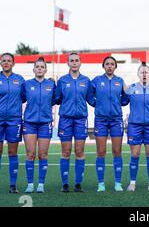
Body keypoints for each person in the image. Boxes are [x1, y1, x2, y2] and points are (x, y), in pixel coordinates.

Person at [0, 52, 25, 194]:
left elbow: (26, 97)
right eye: (4, 61)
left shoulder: (20, 80)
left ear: (13, 63)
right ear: (1, 63)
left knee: (13, 152)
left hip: (14, 120)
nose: (6, 62)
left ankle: (13, 186)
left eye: (9, 60)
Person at [55, 52, 94, 193]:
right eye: (72, 60)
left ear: (80, 62)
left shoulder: (86, 81)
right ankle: (65, 184)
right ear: (68, 63)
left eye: (77, 60)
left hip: (81, 120)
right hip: (65, 119)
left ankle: (78, 184)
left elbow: (91, 99)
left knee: (79, 151)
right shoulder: (62, 80)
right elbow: (56, 98)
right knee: (65, 151)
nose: (74, 62)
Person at [90, 56, 128, 192]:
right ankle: (101, 183)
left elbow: (126, 96)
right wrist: (97, 105)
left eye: (112, 64)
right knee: (101, 152)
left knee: (117, 151)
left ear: (115, 66)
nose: (110, 66)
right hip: (100, 119)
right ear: (103, 66)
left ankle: (118, 183)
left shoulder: (120, 81)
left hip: (116, 119)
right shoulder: (96, 81)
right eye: (107, 64)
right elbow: (89, 95)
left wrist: (119, 104)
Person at [21, 57, 56, 193]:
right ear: (34, 69)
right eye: (37, 67)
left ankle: (41, 184)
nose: (40, 69)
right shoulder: (27, 84)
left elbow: (56, 99)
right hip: (29, 122)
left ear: (46, 70)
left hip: (45, 123)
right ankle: (30, 184)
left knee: (43, 154)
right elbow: (22, 98)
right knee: (30, 154)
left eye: (42, 67)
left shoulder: (51, 85)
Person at [124, 63, 149, 192]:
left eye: (146, 72)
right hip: (135, 125)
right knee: (135, 154)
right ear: (138, 74)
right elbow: (123, 101)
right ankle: (132, 183)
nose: (144, 74)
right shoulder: (131, 88)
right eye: (142, 72)